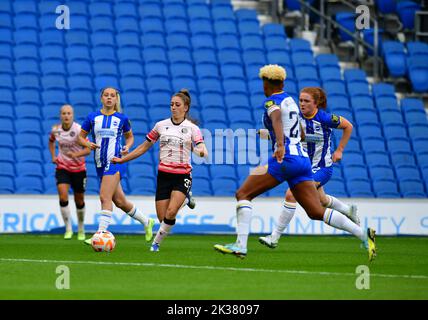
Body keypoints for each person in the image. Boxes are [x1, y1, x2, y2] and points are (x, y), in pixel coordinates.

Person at [213, 65, 377, 261]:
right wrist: (277, 138)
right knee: (316, 211)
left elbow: (276, 118)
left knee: (243, 194)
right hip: (302, 160)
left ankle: (240, 246)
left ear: (266, 83)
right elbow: (299, 132)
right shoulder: (290, 101)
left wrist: (280, 144)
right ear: (282, 83)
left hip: (285, 159)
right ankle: (363, 235)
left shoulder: (271, 101)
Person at [259, 87, 360, 249]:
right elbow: (288, 135)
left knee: (291, 193)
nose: (302, 104)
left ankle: (274, 237)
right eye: (300, 100)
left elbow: (348, 126)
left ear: (317, 103)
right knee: (322, 200)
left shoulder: (325, 118)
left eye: (306, 101)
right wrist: (263, 133)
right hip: (304, 166)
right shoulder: (295, 118)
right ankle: (349, 210)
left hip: (322, 168)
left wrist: (340, 149)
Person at [112, 89, 208, 252]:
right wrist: (123, 159)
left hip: (182, 175)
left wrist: (200, 151)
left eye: (177, 105)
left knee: (171, 212)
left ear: (185, 107)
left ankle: (155, 244)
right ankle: (185, 200)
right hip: (164, 175)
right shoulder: (161, 126)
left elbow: (202, 148)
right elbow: (144, 147)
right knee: (163, 218)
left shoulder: (192, 129)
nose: (173, 107)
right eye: (171, 104)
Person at [77, 87, 155, 245]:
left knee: (104, 197)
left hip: (115, 161)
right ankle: (147, 222)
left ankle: (101, 233)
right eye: (106, 95)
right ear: (101, 98)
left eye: (112, 96)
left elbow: (130, 137)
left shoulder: (121, 119)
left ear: (116, 99)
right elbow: (80, 137)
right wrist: (87, 143)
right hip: (100, 163)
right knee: (120, 202)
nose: (109, 98)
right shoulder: (92, 117)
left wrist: (127, 147)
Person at [49, 104, 91, 240]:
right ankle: (68, 229)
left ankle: (81, 228)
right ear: (60, 115)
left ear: (72, 115)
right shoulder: (56, 130)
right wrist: (53, 156)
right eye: (64, 113)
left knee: (79, 200)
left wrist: (77, 154)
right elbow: (51, 142)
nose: (66, 116)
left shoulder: (79, 130)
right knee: (62, 195)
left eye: (69, 113)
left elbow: (89, 149)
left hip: (79, 169)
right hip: (62, 167)